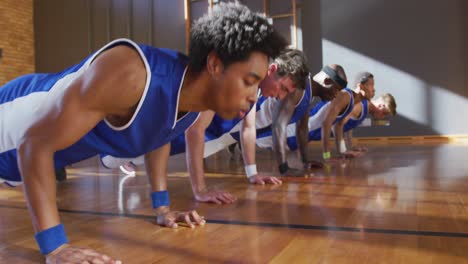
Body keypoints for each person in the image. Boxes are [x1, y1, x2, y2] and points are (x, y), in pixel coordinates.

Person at [0, 2, 288, 263]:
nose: (254, 96)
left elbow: (158, 136)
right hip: (11, 121)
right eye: (249, 81)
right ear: (214, 64)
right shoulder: (131, 73)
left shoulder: (191, 103)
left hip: (27, 157)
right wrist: (55, 247)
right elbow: (33, 144)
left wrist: (162, 209)